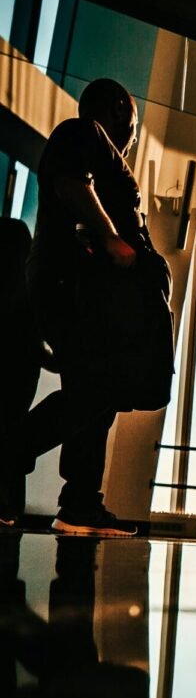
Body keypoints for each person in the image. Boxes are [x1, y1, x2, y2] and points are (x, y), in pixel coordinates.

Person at [2, 79, 160, 536]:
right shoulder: (83, 132)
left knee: (97, 397)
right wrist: (112, 239)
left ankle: (81, 504)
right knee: (98, 389)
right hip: (66, 285)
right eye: (132, 123)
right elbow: (72, 182)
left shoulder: (91, 143)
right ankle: (11, 453)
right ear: (117, 109)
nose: (132, 136)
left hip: (82, 291)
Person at [0, 219, 47, 525]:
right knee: (12, 443)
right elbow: (37, 345)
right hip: (19, 383)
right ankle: (9, 512)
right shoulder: (28, 293)